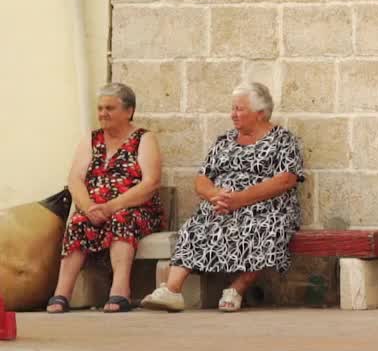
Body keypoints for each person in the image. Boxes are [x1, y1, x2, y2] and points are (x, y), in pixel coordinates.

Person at [140, 82, 304, 313]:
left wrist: (240, 199)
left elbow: (286, 179)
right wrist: (217, 196)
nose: (232, 114)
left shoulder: (283, 139)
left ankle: (236, 288)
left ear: (260, 113)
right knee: (196, 225)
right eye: (233, 108)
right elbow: (201, 180)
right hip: (222, 205)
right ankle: (172, 290)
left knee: (265, 226)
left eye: (239, 109)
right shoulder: (224, 141)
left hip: (267, 206)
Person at [46, 83, 163, 314]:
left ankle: (120, 291)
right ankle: (61, 293)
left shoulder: (144, 139)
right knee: (78, 222)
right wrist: (89, 207)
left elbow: (151, 183)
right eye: (100, 108)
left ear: (129, 111)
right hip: (95, 209)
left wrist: (111, 206)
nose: (102, 113)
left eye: (109, 108)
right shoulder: (91, 139)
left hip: (136, 209)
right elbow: (74, 179)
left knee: (122, 219)